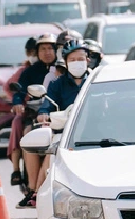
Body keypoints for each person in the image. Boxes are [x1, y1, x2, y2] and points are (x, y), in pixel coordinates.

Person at [24, 39, 91, 208]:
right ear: (66, 62)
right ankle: (38, 193)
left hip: (94, 133)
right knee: (51, 152)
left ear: (88, 60)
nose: (77, 63)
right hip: (65, 133)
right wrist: (43, 115)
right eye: (73, 60)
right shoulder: (56, 84)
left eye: (81, 59)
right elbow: (46, 106)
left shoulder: (95, 81)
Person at [12, 33, 57, 207]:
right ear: (37, 51)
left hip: (60, 117)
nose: (47, 52)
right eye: (43, 48)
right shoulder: (30, 72)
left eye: (50, 48)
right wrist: (17, 103)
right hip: (37, 116)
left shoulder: (62, 69)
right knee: (28, 134)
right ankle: (32, 189)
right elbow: (20, 92)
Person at [5, 36, 38, 186]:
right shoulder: (25, 71)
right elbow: (10, 87)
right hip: (29, 111)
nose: (35, 55)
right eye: (31, 52)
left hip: (50, 112)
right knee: (18, 123)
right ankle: (16, 169)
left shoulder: (56, 70)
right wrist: (18, 102)